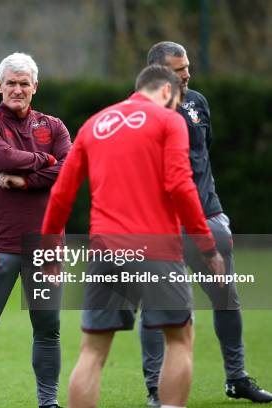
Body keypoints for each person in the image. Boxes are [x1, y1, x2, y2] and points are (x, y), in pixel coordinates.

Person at [42, 65, 226, 408]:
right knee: (180, 339)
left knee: (93, 350)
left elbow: (61, 196)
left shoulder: (94, 125)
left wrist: (50, 253)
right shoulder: (168, 120)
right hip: (158, 251)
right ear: (168, 92)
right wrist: (206, 246)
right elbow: (180, 185)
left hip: (105, 252)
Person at [138, 41, 272, 406]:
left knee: (226, 299)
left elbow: (202, 155)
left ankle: (237, 378)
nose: (187, 74)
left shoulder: (197, 102)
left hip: (209, 217)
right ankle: (156, 388)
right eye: (178, 69)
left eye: (187, 67)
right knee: (156, 307)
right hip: (162, 225)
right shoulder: (139, 114)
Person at [0, 52, 71, 408]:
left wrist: (24, 182)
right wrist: (47, 160)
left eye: (24, 83)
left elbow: (70, 171)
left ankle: (48, 403)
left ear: (35, 87)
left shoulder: (54, 126)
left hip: (46, 244)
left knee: (48, 330)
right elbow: (3, 158)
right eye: (11, 83)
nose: (17, 89)